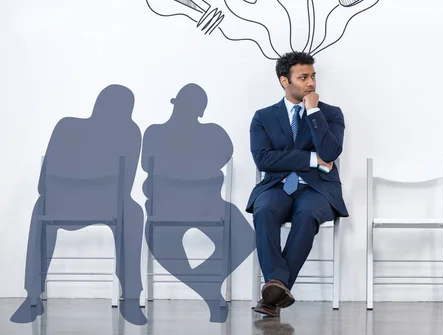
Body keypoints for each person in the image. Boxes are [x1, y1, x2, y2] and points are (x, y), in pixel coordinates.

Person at [11, 85, 146, 326]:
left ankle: (131, 297)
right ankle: (33, 296)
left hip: (89, 203)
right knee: (133, 211)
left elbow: (43, 184)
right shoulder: (124, 131)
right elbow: (125, 185)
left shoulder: (73, 127)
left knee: (43, 204)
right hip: (97, 203)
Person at [245, 51, 349, 317]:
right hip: (278, 186)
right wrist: (313, 159)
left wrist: (313, 111)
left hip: (316, 189)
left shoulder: (331, 114)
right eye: (303, 77)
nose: (311, 83)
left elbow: (331, 150)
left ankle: (272, 293)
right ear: (284, 81)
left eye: (313, 76)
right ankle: (277, 287)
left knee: (306, 214)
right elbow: (264, 160)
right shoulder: (263, 117)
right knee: (265, 210)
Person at [142, 84, 255, 323]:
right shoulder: (157, 133)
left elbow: (225, 154)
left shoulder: (162, 133)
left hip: (203, 204)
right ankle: (209, 288)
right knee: (165, 242)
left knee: (246, 234)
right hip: (167, 208)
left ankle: (207, 285)